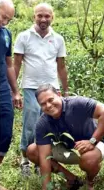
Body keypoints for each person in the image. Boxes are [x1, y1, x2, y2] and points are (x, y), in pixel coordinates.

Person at [26, 84, 104, 190]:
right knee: (32, 150)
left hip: (94, 144)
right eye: (43, 104)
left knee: (89, 159)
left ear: (59, 95)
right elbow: (44, 159)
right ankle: (72, 180)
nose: (48, 105)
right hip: (68, 150)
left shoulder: (76, 103)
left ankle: (90, 180)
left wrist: (92, 141)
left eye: (51, 100)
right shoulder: (42, 124)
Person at [14, 3, 68, 176]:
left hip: (52, 89)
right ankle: (25, 159)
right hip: (30, 87)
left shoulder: (58, 39)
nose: (43, 19)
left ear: (52, 17)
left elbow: (61, 67)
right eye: (40, 16)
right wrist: (14, 90)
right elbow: (15, 64)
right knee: (31, 123)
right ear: (34, 17)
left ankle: (40, 158)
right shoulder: (24, 37)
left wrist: (65, 90)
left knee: (49, 124)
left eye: (47, 16)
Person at [0, 0, 22, 190]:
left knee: (5, 133)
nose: (5, 22)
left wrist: (15, 91)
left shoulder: (6, 34)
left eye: (9, 19)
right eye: (3, 17)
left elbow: (8, 64)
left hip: (2, 90)